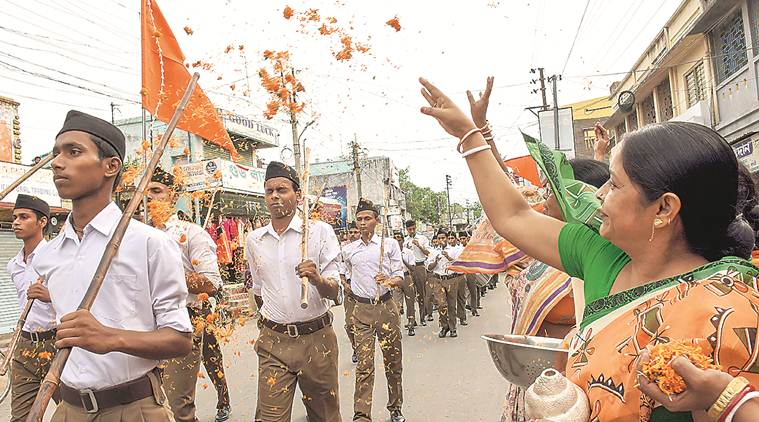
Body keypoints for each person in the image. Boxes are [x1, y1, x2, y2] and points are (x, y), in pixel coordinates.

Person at [419, 77, 759, 421]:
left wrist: (718, 403)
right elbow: (513, 215)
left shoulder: (731, 306)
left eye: (614, 184)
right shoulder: (601, 255)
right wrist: (468, 135)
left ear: (663, 209)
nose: (598, 195)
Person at [34, 110, 192, 420]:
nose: (57, 162)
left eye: (73, 151)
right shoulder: (49, 254)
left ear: (111, 166)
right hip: (68, 411)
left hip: (133, 408)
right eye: (56, 154)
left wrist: (111, 337)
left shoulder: (149, 244)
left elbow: (180, 339)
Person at [246, 161, 343, 422]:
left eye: (282, 189)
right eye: (269, 191)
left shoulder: (319, 232)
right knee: (270, 418)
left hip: (316, 340)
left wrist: (316, 279)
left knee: (325, 416)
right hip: (273, 341)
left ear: (298, 196)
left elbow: (336, 292)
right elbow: (258, 289)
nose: (275, 196)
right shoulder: (254, 240)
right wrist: (268, 326)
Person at [145, 167, 226, 422]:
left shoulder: (190, 233)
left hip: (187, 319)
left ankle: (223, 398)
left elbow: (212, 283)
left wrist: (170, 276)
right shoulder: (132, 236)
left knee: (177, 404)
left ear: (172, 196)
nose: (149, 199)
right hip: (144, 324)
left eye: (156, 192)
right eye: (145, 193)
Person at [343, 199, 406, 422]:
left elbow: (400, 277)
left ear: (376, 221)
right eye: (359, 219)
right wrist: (348, 287)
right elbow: (345, 274)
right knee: (364, 365)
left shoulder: (388, 245)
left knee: (393, 361)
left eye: (367, 219)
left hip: (386, 308)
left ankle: (395, 406)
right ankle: (361, 415)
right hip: (361, 311)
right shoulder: (349, 250)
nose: (362, 223)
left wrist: (388, 281)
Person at [7, 195, 57, 422]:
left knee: (74, 411)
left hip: (57, 345)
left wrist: (50, 296)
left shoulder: (57, 257)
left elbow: (80, 301)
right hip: (24, 345)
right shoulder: (14, 265)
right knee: (21, 418)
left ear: (42, 222)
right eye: (15, 217)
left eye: (24, 217)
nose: (16, 222)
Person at [426, 230, 462, 338]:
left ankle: (453, 328)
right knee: (441, 304)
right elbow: (429, 267)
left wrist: (448, 257)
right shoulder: (433, 251)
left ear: (447, 238)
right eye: (439, 238)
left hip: (451, 279)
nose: (441, 240)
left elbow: (458, 264)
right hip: (438, 280)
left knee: (451, 305)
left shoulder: (454, 250)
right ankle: (444, 326)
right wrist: (435, 261)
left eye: (443, 238)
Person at [403, 220, 433, 325]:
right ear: (406, 230)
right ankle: (411, 320)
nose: (412, 231)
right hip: (408, 269)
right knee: (410, 295)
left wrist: (419, 245)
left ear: (416, 228)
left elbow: (428, 253)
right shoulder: (405, 241)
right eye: (409, 229)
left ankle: (423, 317)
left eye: (413, 229)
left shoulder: (423, 238)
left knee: (421, 293)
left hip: (419, 266)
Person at [342, 221, 361, 364]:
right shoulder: (344, 250)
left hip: (365, 292)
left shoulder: (366, 248)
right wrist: (345, 284)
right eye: (351, 232)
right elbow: (340, 272)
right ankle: (356, 348)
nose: (353, 235)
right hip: (350, 291)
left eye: (355, 232)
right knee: (350, 324)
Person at [394, 230, 417, 336]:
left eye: (399, 240)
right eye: (395, 240)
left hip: (407, 277)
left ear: (402, 241)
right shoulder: (391, 253)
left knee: (410, 303)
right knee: (396, 305)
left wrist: (403, 260)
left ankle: (411, 324)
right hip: (396, 278)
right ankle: (397, 328)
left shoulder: (408, 252)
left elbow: (412, 268)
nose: (397, 242)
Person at [458, 232, 481, 316]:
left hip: (470, 271)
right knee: (462, 293)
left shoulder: (471, 248)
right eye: (461, 239)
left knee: (473, 290)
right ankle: (463, 311)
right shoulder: (458, 248)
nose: (462, 240)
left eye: (464, 238)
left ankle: (474, 309)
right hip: (461, 272)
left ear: (467, 238)